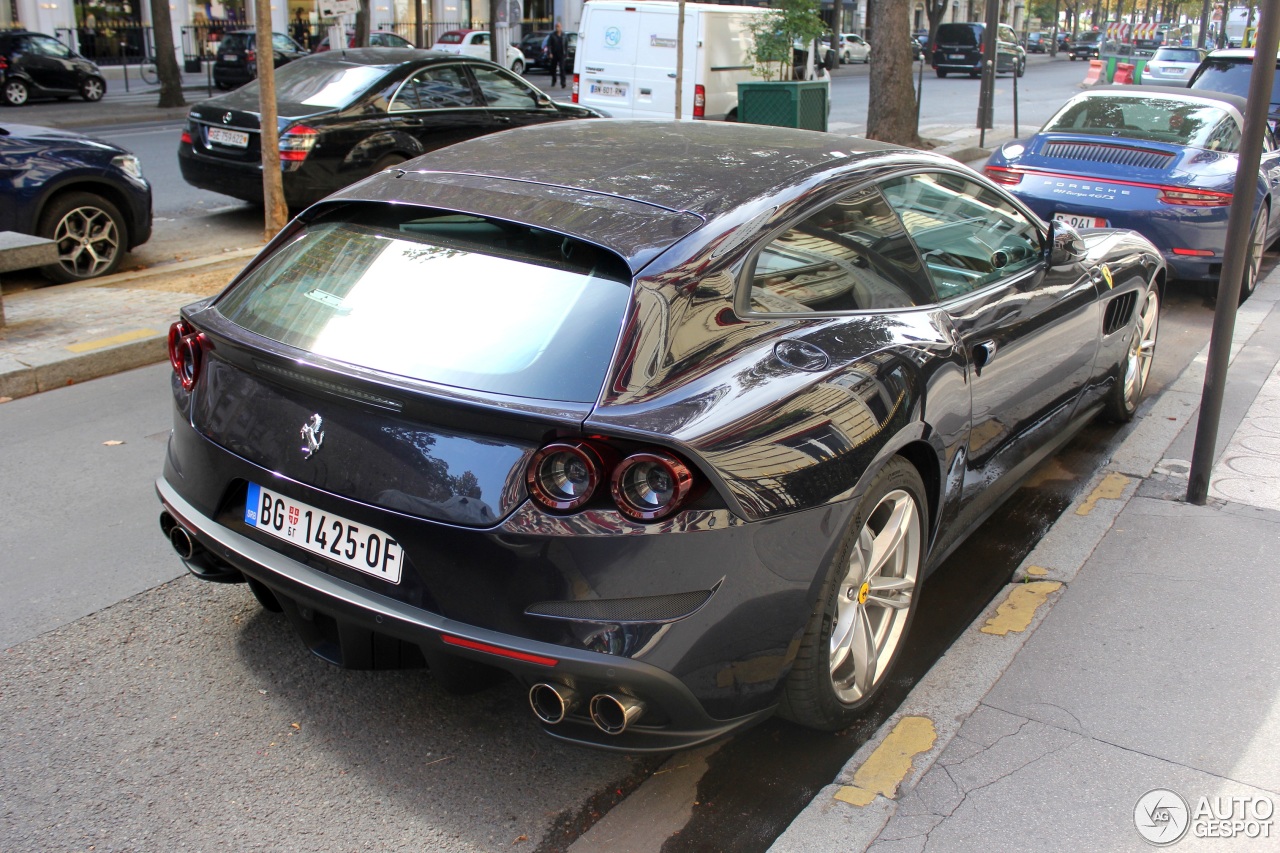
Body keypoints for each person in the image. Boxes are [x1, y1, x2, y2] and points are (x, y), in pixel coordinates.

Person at [547, 21, 567, 88]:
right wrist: (550, 53)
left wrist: (566, 53)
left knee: (562, 68)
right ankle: (554, 80)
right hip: (554, 54)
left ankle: (563, 82)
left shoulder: (564, 35)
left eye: (558, 26)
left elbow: (566, 45)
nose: (557, 28)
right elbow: (549, 45)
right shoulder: (552, 35)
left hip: (561, 54)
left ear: (561, 27)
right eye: (556, 27)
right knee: (553, 68)